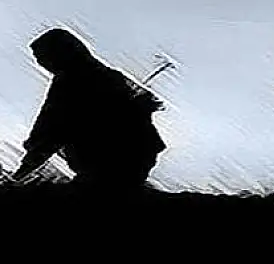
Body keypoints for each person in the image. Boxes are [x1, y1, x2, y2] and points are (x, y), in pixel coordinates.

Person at [14, 28, 167, 192]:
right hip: (138, 156)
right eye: (38, 59)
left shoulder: (70, 83)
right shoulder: (106, 74)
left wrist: (21, 173)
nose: (41, 63)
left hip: (110, 161)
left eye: (42, 57)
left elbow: (51, 129)